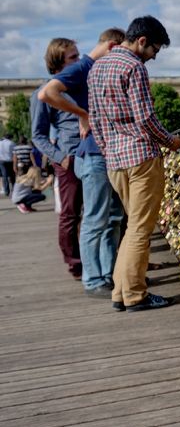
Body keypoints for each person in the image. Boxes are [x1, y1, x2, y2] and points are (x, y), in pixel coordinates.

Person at [87, 16, 180, 312]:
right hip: (141, 157)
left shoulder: (97, 68)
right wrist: (171, 141)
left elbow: (94, 120)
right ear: (142, 41)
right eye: (155, 49)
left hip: (115, 162)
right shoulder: (134, 66)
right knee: (141, 229)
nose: (154, 56)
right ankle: (135, 295)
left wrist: (108, 151)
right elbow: (145, 118)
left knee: (133, 228)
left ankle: (120, 292)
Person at [38, 28, 126, 298]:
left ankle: (107, 274)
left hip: (102, 153)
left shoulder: (92, 69)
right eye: (72, 56)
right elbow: (46, 95)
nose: (77, 59)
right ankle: (91, 277)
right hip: (86, 155)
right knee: (90, 218)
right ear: (113, 47)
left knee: (111, 218)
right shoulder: (82, 68)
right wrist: (83, 114)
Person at [30, 38, 83, 279]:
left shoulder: (83, 86)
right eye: (73, 57)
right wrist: (61, 158)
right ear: (58, 62)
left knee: (99, 213)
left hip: (93, 154)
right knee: (71, 213)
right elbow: (38, 135)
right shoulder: (43, 93)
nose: (79, 60)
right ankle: (75, 263)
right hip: (70, 157)